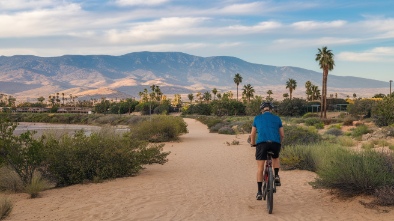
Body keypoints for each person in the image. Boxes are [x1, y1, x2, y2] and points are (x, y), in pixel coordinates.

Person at [250, 101, 284, 200]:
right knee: (275, 158)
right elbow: (282, 135)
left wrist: (253, 143)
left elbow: (252, 134)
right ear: (271, 109)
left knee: (260, 168)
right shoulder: (277, 118)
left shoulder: (257, 118)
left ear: (262, 110)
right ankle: (276, 175)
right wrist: (279, 143)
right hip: (275, 143)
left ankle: (259, 192)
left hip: (262, 144)